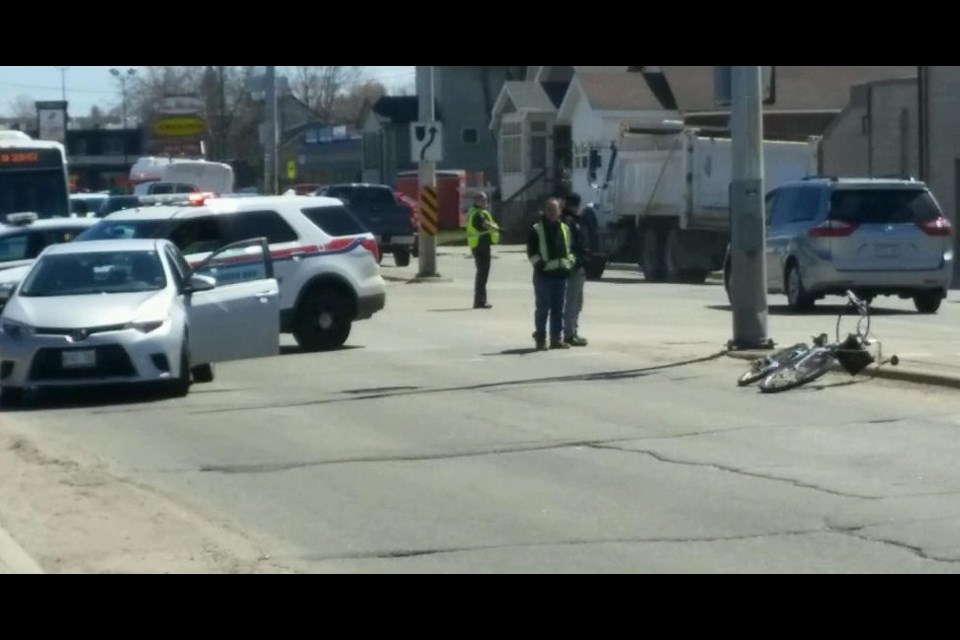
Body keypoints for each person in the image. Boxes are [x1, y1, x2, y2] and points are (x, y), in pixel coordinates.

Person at [527, 198, 574, 351]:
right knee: (542, 308)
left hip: (560, 276)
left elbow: (570, 250)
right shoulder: (536, 229)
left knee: (558, 309)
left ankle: (556, 339)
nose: (552, 212)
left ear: (560, 211)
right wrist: (541, 266)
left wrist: (570, 263)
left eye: (555, 209)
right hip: (544, 276)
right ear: (545, 211)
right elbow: (532, 253)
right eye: (549, 209)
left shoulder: (565, 228)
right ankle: (541, 339)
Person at [561, 193, 589, 347]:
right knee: (573, 301)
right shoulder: (569, 222)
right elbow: (570, 246)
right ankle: (569, 333)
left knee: (577, 301)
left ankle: (573, 331)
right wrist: (577, 262)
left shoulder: (571, 221)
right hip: (573, 267)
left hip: (576, 265)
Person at [465, 192, 500, 309]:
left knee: (482, 274)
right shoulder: (478, 214)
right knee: (482, 274)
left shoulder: (474, 212)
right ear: (477, 201)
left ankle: (480, 300)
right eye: (483, 200)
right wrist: (495, 227)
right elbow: (482, 224)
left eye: (486, 200)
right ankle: (479, 301)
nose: (486, 202)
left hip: (478, 245)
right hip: (481, 245)